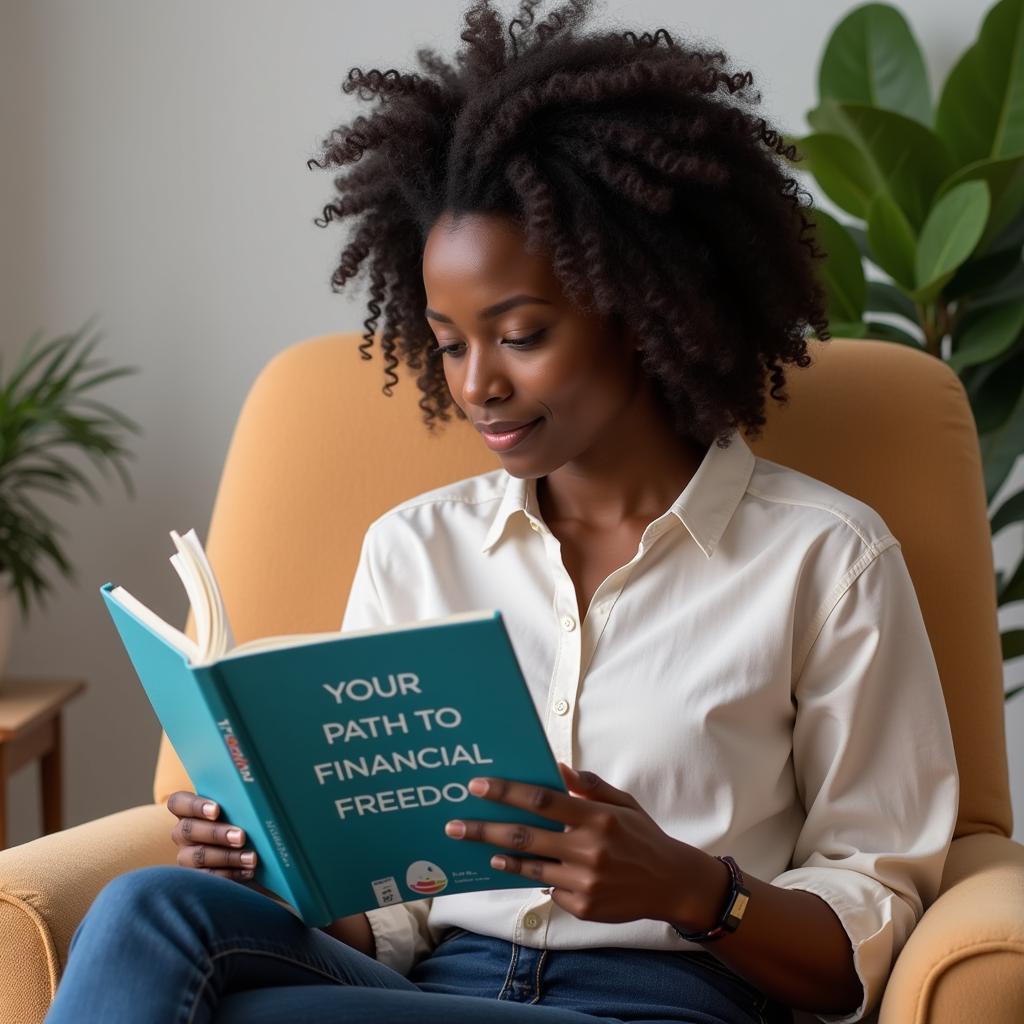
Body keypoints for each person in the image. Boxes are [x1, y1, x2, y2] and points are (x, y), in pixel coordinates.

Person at [45, 2, 959, 1022]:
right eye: (447, 341)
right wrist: (274, 861)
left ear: (645, 306)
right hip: (429, 988)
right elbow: (381, 924)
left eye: (520, 333)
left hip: (661, 1002)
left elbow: (861, 942)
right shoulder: (414, 549)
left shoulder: (824, 560)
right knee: (150, 910)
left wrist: (692, 888)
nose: (476, 383)